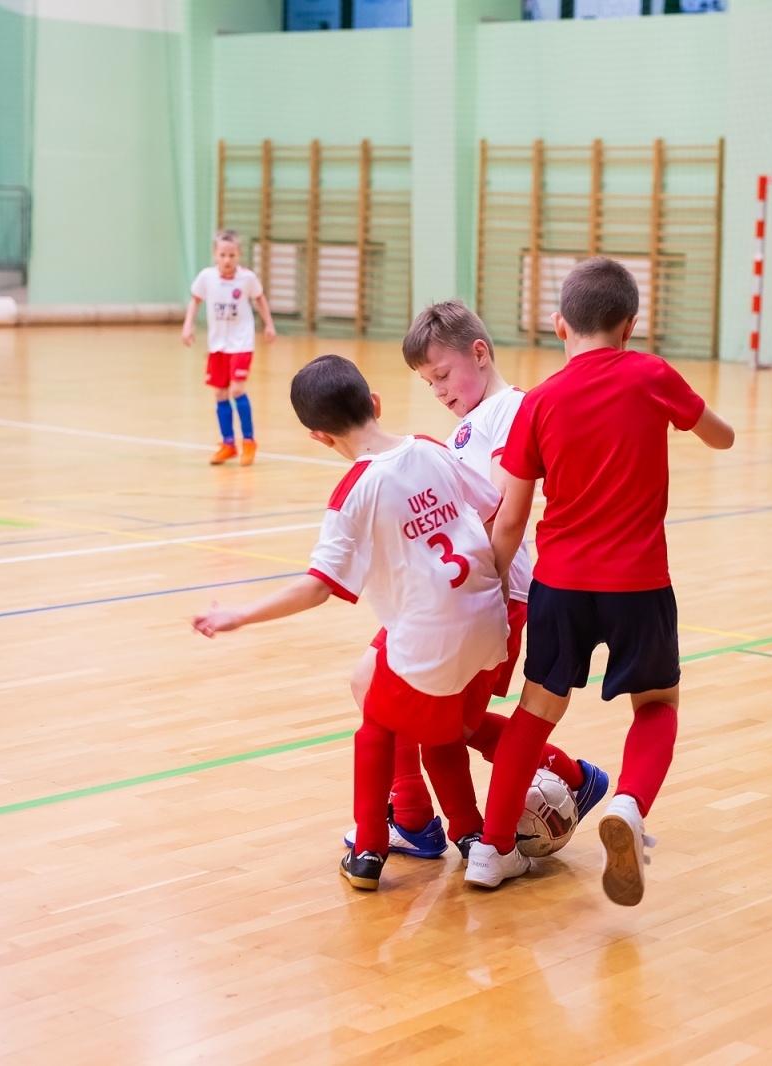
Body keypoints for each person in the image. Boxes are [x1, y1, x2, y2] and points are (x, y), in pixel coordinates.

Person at [464, 258, 736, 904]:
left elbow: (511, 516)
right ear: (630, 324)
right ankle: (630, 806)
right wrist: (686, 413)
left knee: (536, 709)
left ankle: (492, 851)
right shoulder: (651, 374)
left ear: (560, 324)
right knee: (657, 704)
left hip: (560, 586)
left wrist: (495, 589)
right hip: (639, 583)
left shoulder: (538, 401)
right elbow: (721, 438)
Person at [193, 355, 508, 891]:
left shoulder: (354, 491)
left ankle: (369, 849)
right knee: (441, 732)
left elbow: (318, 586)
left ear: (319, 437)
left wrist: (239, 615)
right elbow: (492, 505)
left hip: (433, 640)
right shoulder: (430, 448)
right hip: (489, 623)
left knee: (378, 721)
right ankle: (470, 833)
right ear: (375, 403)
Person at [343, 301, 609, 861]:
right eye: (427, 382)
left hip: (484, 590)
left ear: (480, 353)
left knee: (384, 690)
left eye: (442, 374)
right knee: (443, 720)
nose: (437, 390)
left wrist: (466, 579)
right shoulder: (473, 423)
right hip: (464, 589)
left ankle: (415, 819)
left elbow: (500, 506)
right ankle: (567, 777)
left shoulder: (507, 411)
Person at [182, 230, 276, 467]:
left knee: (237, 389)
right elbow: (195, 301)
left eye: (232, 255)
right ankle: (228, 444)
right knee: (220, 393)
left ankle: (249, 441)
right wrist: (188, 326)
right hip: (218, 344)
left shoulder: (247, 278)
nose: (227, 260)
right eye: (222, 255)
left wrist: (269, 324)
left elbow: (260, 298)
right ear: (215, 254)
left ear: (239, 255)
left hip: (241, 342)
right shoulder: (207, 277)